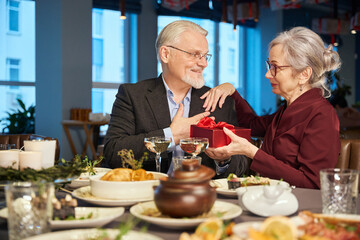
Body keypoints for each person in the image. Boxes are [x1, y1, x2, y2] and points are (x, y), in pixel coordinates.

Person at [103, 20, 250, 178]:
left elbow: (242, 163)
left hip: (203, 195)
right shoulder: (132, 95)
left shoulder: (219, 100)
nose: (204, 63)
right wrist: (171, 135)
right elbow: (113, 152)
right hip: (149, 194)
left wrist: (224, 160)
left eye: (205, 56)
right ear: (165, 54)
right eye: (195, 54)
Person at [202, 26, 341, 189]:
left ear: (304, 74)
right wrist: (232, 91)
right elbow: (251, 125)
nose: (268, 74)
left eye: (276, 67)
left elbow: (313, 184)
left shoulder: (322, 115)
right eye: (269, 65)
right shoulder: (288, 110)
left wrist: (252, 152)